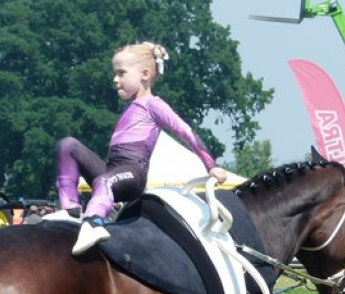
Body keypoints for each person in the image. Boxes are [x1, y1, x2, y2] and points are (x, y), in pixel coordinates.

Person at [53, 41, 227, 255]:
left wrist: (211, 165)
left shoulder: (154, 105)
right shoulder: (131, 106)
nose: (115, 80)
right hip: (112, 169)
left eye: (121, 73)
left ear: (144, 75)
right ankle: (70, 211)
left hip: (133, 174)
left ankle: (94, 223)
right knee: (67, 145)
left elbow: (186, 132)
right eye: (115, 73)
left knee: (104, 181)